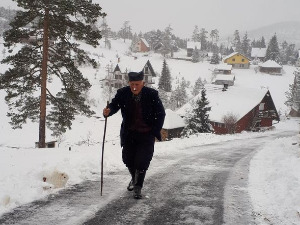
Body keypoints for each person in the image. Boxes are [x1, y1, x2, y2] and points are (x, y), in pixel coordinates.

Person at [103, 71, 165, 199]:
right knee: (128, 159)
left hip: (146, 134)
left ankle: (138, 187)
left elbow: (161, 114)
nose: (134, 87)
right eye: (132, 84)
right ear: (129, 83)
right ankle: (134, 178)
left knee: (142, 161)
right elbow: (114, 105)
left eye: (137, 84)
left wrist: (155, 131)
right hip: (129, 133)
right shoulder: (123, 93)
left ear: (143, 83)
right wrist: (108, 111)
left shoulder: (151, 94)